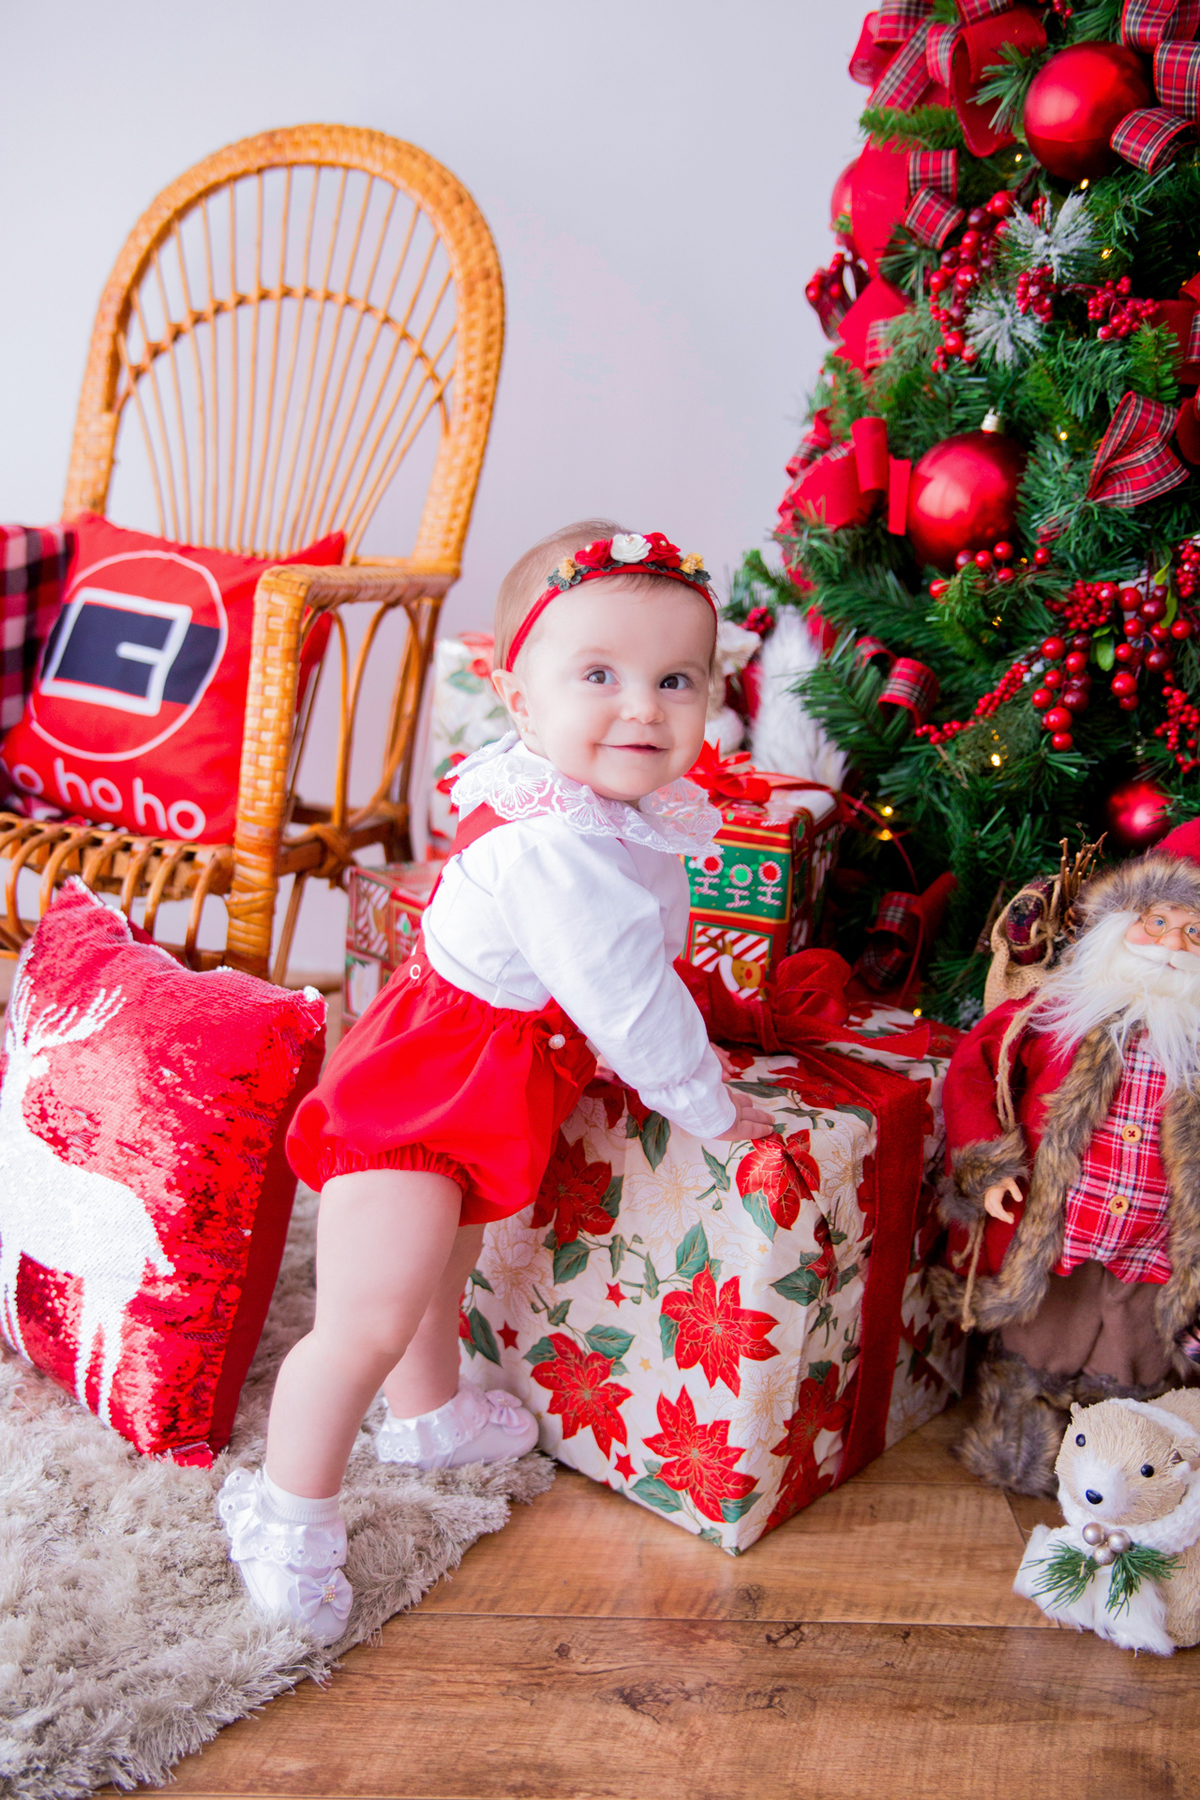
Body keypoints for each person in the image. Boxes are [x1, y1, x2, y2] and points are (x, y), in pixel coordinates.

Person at [217, 520, 775, 1638]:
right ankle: (284, 1512)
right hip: (420, 1086)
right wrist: (713, 1108)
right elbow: (628, 997)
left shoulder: (604, 811)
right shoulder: (549, 843)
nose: (643, 708)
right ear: (521, 701)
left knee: (447, 1261)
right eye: (600, 675)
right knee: (366, 1317)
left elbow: (648, 949)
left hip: (495, 1073)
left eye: (676, 679)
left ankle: (427, 1416)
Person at [933, 828, 1200, 1497]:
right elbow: (973, 1068)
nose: (1169, 947)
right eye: (1158, 922)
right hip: (1059, 1233)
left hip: (1155, 1248)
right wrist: (986, 1164)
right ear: (1122, 922)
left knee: (1132, 1356)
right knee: (1037, 1340)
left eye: (1194, 935)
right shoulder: (1059, 1013)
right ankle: (1017, 1446)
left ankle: (1121, 1478)